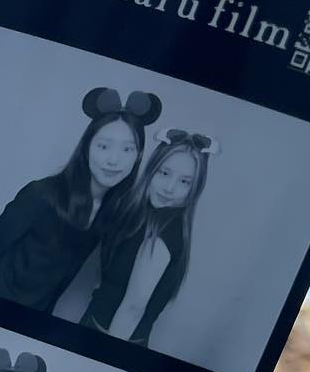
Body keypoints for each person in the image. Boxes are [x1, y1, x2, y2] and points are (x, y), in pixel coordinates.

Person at [0, 87, 161, 313]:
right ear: (86, 148)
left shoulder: (108, 213)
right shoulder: (41, 193)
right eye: (104, 146)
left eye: (127, 149)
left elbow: (64, 278)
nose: (113, 160)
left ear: (138, 156)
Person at [81, 129, 217, 345]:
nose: (169, 188)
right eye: (164, 173)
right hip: (95, 322)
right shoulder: (140, 215)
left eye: (184, 182)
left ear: (195, 189)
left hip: (112, 336)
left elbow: (133, 309)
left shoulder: (163, 234)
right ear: (152, 170)